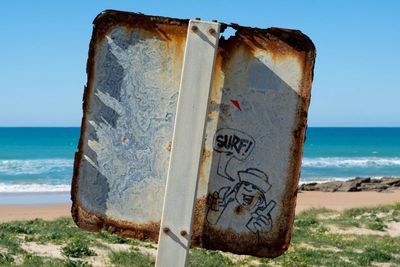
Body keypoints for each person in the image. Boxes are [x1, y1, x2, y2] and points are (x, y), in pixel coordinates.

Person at [206, 168, 276, 235]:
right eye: (245, 184)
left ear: (260, 200)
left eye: (255, 187)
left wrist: (266, 230)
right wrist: (214, 210)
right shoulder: (226, 201)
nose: (248, 188)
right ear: (236, 189)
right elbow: (211, 223)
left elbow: (262, 236)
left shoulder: (258, 215)